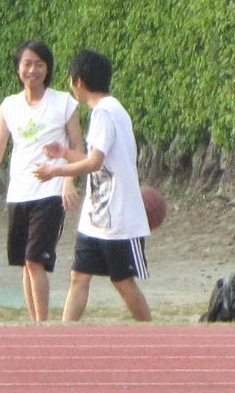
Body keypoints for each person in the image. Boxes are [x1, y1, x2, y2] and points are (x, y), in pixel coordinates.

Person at [34, 47, 153, 323]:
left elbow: (94, 163)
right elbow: (95, 159)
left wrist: (55, 171)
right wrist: (64, 152)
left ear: (79, 82)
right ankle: (65, 334)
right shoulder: (107, 110)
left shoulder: (105, 113)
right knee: (79, 276)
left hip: (118, 218)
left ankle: (151, 332)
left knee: (123, 282)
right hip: (96, 217)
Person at [0, 40, 82, 323]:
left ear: (48, 69)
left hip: (51, 191)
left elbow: (78, 145)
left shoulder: (64, 103)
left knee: (35, 259)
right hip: (18, 193)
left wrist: (69, 181)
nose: (33, 70)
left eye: (39, 64)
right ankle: (34, 324)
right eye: (27, 64)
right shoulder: (9, 106)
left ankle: (42, 324)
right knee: (25, 263)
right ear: (18, 68)